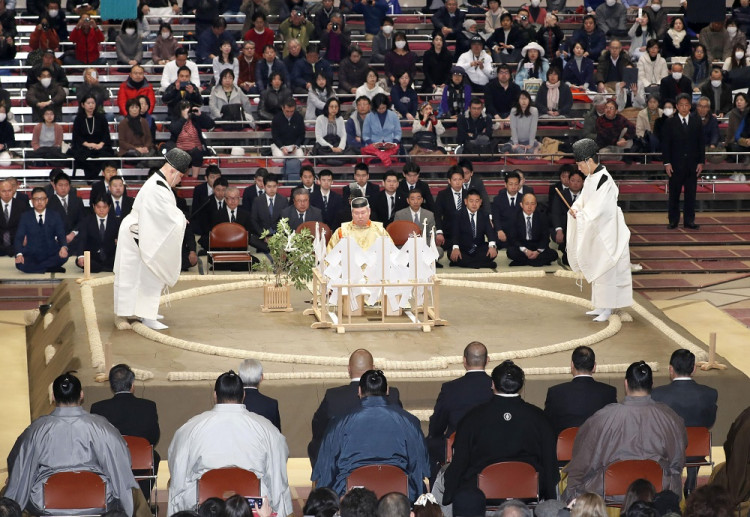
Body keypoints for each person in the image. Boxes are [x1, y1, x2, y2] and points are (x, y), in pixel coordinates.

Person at [5, 373, 140, 515]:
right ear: (81, 395)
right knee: (132, 489)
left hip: (45, 501)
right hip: (98, 499)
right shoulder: (101, 427)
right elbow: (122, 459)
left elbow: (17, 462)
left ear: (53, 397)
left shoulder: (36, 430)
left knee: (8, 493)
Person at [167, 372, 293, 516]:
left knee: (178, 490)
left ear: (215, 395)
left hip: (204, 502)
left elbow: (178, 470)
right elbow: (277, 473)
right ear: (243, 395)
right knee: (274, 492)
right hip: (252, 503)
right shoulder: (266, 428)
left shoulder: (191, 428)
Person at [561, 362, 687, 503]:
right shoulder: (670, 418)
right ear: (652, 384)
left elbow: (583, 460)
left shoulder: (603, 417)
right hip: (657, 491)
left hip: (608, 493)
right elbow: (678, 461)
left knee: (568, 479)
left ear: (626, 384)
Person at [442, 361, 558, 511]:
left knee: (444, 479)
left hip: (480, 494)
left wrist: (449, 492)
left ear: (492, 384)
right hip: (529, 493)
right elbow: (550, 465)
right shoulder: (540, 418)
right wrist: (550, 497)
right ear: (522, 386)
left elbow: (460, 461)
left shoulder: (473, 417)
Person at [312, 369, 430, 501]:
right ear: (387, 392)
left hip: (351, 500)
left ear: (359, 392)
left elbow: (326, 471)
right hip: (398, 499)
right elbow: (419, 469)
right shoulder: (409, 422)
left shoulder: (339, 423)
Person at [114, 149, 190, 331]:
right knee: (150, 274)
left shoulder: (159, 184)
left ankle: (146, 312)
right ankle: (147, 316)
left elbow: (163, 215)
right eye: (180, 177)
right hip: (139, 234)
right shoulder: (156, 188)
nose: (180, 181)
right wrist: (180, 218)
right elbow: (164, 218)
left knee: (142, 275)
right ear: (172, 171)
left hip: (141, 232)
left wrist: (177, 217)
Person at [567, 138, 633, 322]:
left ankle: (608, 308)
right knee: (598, 267)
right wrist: (576, 210)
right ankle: (600, 305)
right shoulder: (591, 178)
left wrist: (581, 215)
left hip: (609, 233)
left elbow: (600, 209)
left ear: (589, 161)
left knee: (607, 269)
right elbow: (584, 202)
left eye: (580, 164)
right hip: (598, 230)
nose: (579, 169)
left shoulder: (605, 180)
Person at [651, 349, 718, 496]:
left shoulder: (657, 394)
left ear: (670, 369)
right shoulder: (709, 393)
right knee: (696, 431)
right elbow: (709, 422)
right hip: (697, 451)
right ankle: (691, 479)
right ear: (694, 369)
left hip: (668, 453)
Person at [90, 363, 160, 497]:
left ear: (111, 386)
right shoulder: (148, 406)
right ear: (132, 385)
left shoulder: (98, 408)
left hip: (110, 462)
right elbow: (153, 438)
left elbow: (95, 440)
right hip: (139, 461)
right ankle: (142, 500)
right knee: (153, 456)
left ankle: (109, 497)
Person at [427, 342, 492, 469]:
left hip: (457, 449)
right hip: (490, 448)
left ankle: (436, 487)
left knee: (429, 444)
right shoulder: (496, 387)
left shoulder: (450, 388)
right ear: (487, 360)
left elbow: (437, 425)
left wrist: (433, 435)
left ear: (464, 361)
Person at [543, 345, 617, 435]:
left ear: (572, 365)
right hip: (597, 447)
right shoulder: (609, 392)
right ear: (594, 366)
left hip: (565, 448)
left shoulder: (555, 393)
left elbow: (546, 428)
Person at [662, 93, 705, 229]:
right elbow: (666, 144)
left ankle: (689, 221)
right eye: (681, 105)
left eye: (687, 105)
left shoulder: (696, 121)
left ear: (690, 106)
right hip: (675, 165)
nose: (684, 108)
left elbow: (701, 143)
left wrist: (701, 162)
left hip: (692, 165)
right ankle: (673, 220)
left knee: (690, 194)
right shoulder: (670, 122)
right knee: (674, 194)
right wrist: (667, 163)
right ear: (677, 106)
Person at [70, 95, 114, 180]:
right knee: (82, 156)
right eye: (88, 103)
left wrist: (100, 145)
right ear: (83, 105)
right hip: (84, 147)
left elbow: (106, 134)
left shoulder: (101, 118)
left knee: (105, 155)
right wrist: (89, 144)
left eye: (93, 103)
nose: (91, 105)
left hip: (100, 147)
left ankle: (98, 179)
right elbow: (77, 137)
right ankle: (91, 179)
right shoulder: (79, 119)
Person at [169, 101, 216, 178]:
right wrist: (183, 119)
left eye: (188, 108)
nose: (187, 110)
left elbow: (211, 125)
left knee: (196, 152)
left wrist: (200, 115)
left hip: (196, 150)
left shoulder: (195, 119)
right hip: (181, 150)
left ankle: (194, 178)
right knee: (183, 155)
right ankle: (184, 178)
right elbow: (174, 130)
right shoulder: (175, 120)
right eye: (184, 108)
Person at [550, 169, 583, 265]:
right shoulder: (561, 194)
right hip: (565, 229)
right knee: (567, 259)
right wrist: (559, 230)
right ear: (568, 181)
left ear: (583, 182)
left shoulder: (586, 196)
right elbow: (555, 213)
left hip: (581, 230)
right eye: (573, 180)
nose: (575, 183)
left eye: (578, 181)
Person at [249, 173, 288, 253]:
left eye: (274, 186)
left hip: (278, 236)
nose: (272, 189)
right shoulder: (257, 200)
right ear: (264, 186)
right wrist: (264, 237)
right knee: (253, 240)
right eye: (269, 187)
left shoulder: (283, 200)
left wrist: (275, 237)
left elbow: (284, 220)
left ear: (278, 186)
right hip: (262, 237)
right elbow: (254, 221)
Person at [238, 359, 281, 431]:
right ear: (261, 378)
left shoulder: (231, 402)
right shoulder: (271, 404)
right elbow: (277, 436)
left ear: (239, 377)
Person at [362, 93, 401, 167]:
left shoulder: (393, 115)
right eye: (379, 108)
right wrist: (372, 144)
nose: (381, 110)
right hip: (374, 148)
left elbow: (398, 133)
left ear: (387, 105)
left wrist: (394, 143)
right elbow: (365, 135)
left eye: (383, 107)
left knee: (395, 150)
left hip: (390, 146)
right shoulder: (369, 117)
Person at [501, 91, 540, 155]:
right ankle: (511, 148)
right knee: (519, 153)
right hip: (515, 141)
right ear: (518, 100)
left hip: (529, 141)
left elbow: (533, 128)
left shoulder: (534, 110)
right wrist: (516, 144)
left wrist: (530, 144)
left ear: (529, 100)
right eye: (521, 98)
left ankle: (511, 151)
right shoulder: (514, 110)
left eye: (526, 98)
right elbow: (513, 128)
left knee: (530, 153)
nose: (524, 101)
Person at [0, 179, 28, 257]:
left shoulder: (21, 205)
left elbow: (26, 225)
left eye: (9, 191)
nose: (6, 194)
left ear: (13, 191)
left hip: (16, 241)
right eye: (3, 191)